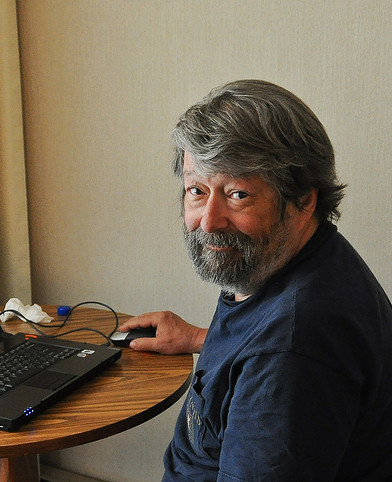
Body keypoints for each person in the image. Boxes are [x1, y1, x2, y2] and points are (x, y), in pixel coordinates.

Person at [118, 80, 392, 481]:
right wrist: (200, 338)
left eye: (238, 195)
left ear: (303, 198)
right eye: (197, 190)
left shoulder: (292, 352)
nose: (209, 222)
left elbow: (282, 356)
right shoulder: (294, 263)